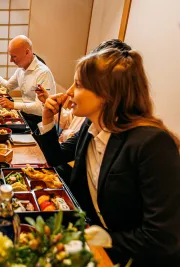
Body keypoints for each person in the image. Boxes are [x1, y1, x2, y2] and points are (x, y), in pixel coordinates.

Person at [36, 48, 180, 266]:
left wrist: (105, 239)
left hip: (139, 257)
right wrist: (47, 118)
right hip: (98, 242)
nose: (70, 92)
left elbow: (163, 237)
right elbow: (57, 157)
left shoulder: (151, 144)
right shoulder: (91, 126)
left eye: (80, 85)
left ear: (106, 94)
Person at [0, 35, 56, 131]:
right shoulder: (21, 69)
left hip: (40, 121)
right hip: (24, 116)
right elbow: (7, 87)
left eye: (14, 56)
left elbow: (41, 108)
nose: (11, 60)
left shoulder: (43, 73)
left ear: (27, 52)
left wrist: (13, 105)